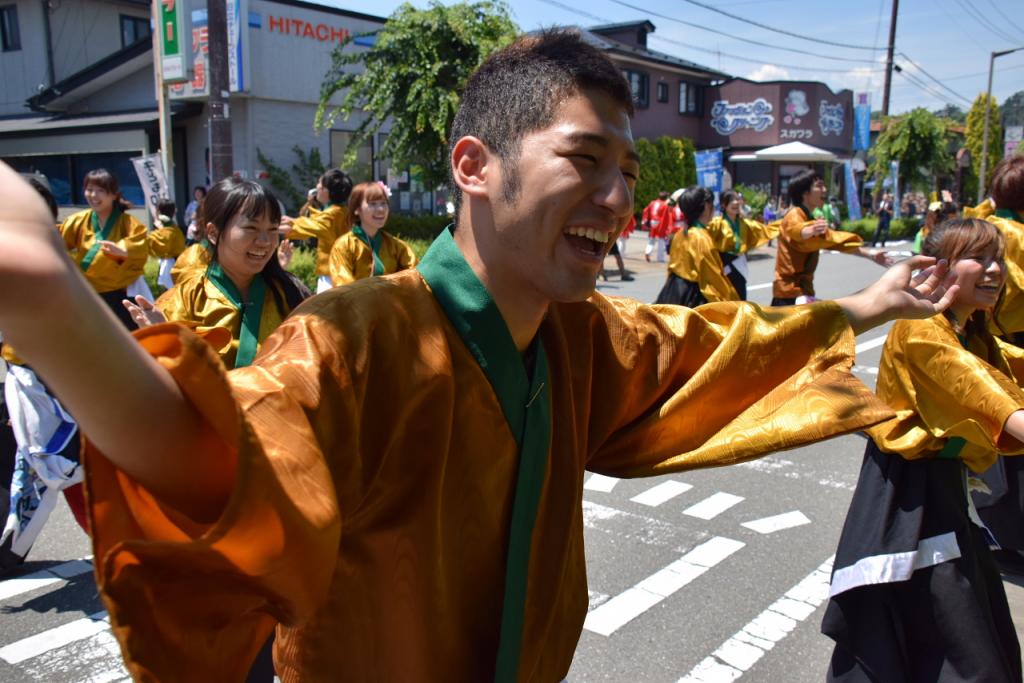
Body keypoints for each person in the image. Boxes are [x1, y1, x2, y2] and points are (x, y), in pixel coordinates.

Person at [0, 31, 958, 681]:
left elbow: (707, 347)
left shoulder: (579, 332)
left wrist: (870, 303)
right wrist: (58, 312)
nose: (619, 197)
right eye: (584, 160)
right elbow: (226, 459)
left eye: (626, 172)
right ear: (474, 166)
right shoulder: (359, 335)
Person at [823, 217, 1024, 683]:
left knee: (924, 646)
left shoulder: (968, 329)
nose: (995, 270)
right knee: (966, 660)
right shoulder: (925, 333)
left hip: (945, 496)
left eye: (999, 258)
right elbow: (987, 395)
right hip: (909, 502)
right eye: (980, 257)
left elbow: (1006, 368)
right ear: (941, 266)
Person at [125, 178, 310, 369]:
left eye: (273, 230)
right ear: (213, 233)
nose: (265, 241)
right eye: (251, 228)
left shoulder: (291, 294)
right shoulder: (183, 300)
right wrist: (163, 343)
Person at [0, 177, 87, 572]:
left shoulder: (55, 258)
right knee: (32, 468)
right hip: (22, 379)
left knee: (70, 469)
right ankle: (11, 547)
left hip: (61, 379)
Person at [970, 154, 1024, 573]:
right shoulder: (1012, 233)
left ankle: (1007, 532)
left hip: (996, 339)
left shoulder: (992, 228)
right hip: (1009, 340)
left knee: (1003, 439)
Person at [772, 171, 889, 306]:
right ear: (804, 192)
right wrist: (810, 230)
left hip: (802, 293)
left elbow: (834, 241)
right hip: (788, 295)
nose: (825, 190)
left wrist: (870, 254)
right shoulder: (794, 214)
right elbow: (796, 230)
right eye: (819, 186)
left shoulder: (810, 218)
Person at [59, 169, 148, 330]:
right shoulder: (77, 221)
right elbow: (57, 241)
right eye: (89, 189)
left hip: (118, 295)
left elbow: (141, 245)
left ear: (114, 195)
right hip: (87, 294)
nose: (93, 195)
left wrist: (124, 250)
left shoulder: (127, 222)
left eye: (100, 191)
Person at [655, 187, 737, 306]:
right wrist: (732, 303)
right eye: (712, 204)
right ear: (706, 206)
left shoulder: (679, 234)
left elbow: (671, 268)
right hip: (693, 298)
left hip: (671, 292)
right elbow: (713, 279)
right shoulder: (701, 238)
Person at [327, 181, 417, 286]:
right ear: (357, 209)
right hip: (358, 302)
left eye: (383, 203)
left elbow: (416, 276)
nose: (380, 209)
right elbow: (344, 288)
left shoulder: (397, 246)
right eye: (372, 204)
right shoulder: (343, 246)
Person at [280, 169, 353, 293]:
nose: (316, 187)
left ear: (326, 190)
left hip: (334, 277)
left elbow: (308, 225)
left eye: (319, 183)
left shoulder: (332, 214)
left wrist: (266, 227)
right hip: (342, 273)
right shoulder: (341, 211)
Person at [707, 189, 779, 300]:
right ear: (723, 204)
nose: (735, 202)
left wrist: (784, 224)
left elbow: (764, 230)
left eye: (737, 199)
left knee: (741, 295)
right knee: (725, 297)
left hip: (740, 263)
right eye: (731, 200)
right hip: (723, 263)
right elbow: (703, 235)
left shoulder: (744, 223)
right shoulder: (717, 223)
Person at [148, 198, 187, 291]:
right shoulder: (173, 226)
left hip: (170, 262)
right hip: (176, 260)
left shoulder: (165, 227)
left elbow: (159, 246)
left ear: (158, 210)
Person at [602, 214, 634, 281]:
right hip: (602, 236)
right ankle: (601, 275)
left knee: (617, 256)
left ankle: (623, 274)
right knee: (601, 256)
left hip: (610, 237)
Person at [642, 190, 671, 262]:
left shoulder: (652, 202)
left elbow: (646, 210)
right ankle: (660, 258)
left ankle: (647, 252)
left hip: (652, 221)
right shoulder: (664, 205)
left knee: (652, 239)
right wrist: (666, 226)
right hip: (660, 222)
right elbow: (665, 216)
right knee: (661, 240)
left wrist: (646, 219)